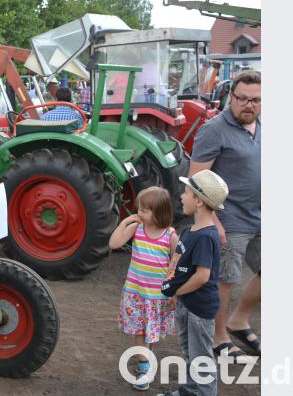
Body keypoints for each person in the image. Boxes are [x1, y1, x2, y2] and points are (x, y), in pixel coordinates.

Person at [189, 70, 261, 360]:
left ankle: (239, 320)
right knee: (226, 280)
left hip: (261, 215)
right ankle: (219, 339)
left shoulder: (264, 125)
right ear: (231, 97)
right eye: (242, 98)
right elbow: (197, 178)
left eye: (255, 100)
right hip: (229, 218)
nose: (249, 105)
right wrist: (213, 220)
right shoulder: (214, 129)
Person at [158, 169, 229, 396]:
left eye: (186, 192)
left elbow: (202, 276)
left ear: (198, 201)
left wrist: (177, 293)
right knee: (190, 352)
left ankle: (204, 392)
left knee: (201, 355)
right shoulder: (189, 230)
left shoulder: (206, 236)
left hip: (198, 306)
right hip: (188, 303)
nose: (181, 196)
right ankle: (191, 390)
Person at [109, 186, 178, 391]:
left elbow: (176, 264)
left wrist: (173, 291)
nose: (139, 213)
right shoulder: (137, 228)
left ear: (160, 212)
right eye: (139, 209)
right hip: (136, 293)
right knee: (140, 332)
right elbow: (114, 243)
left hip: (157, 296)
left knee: (150, 332)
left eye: (144, 210)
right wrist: (125, 222)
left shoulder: (170, 236)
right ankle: (144, 367)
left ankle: (144, 360)